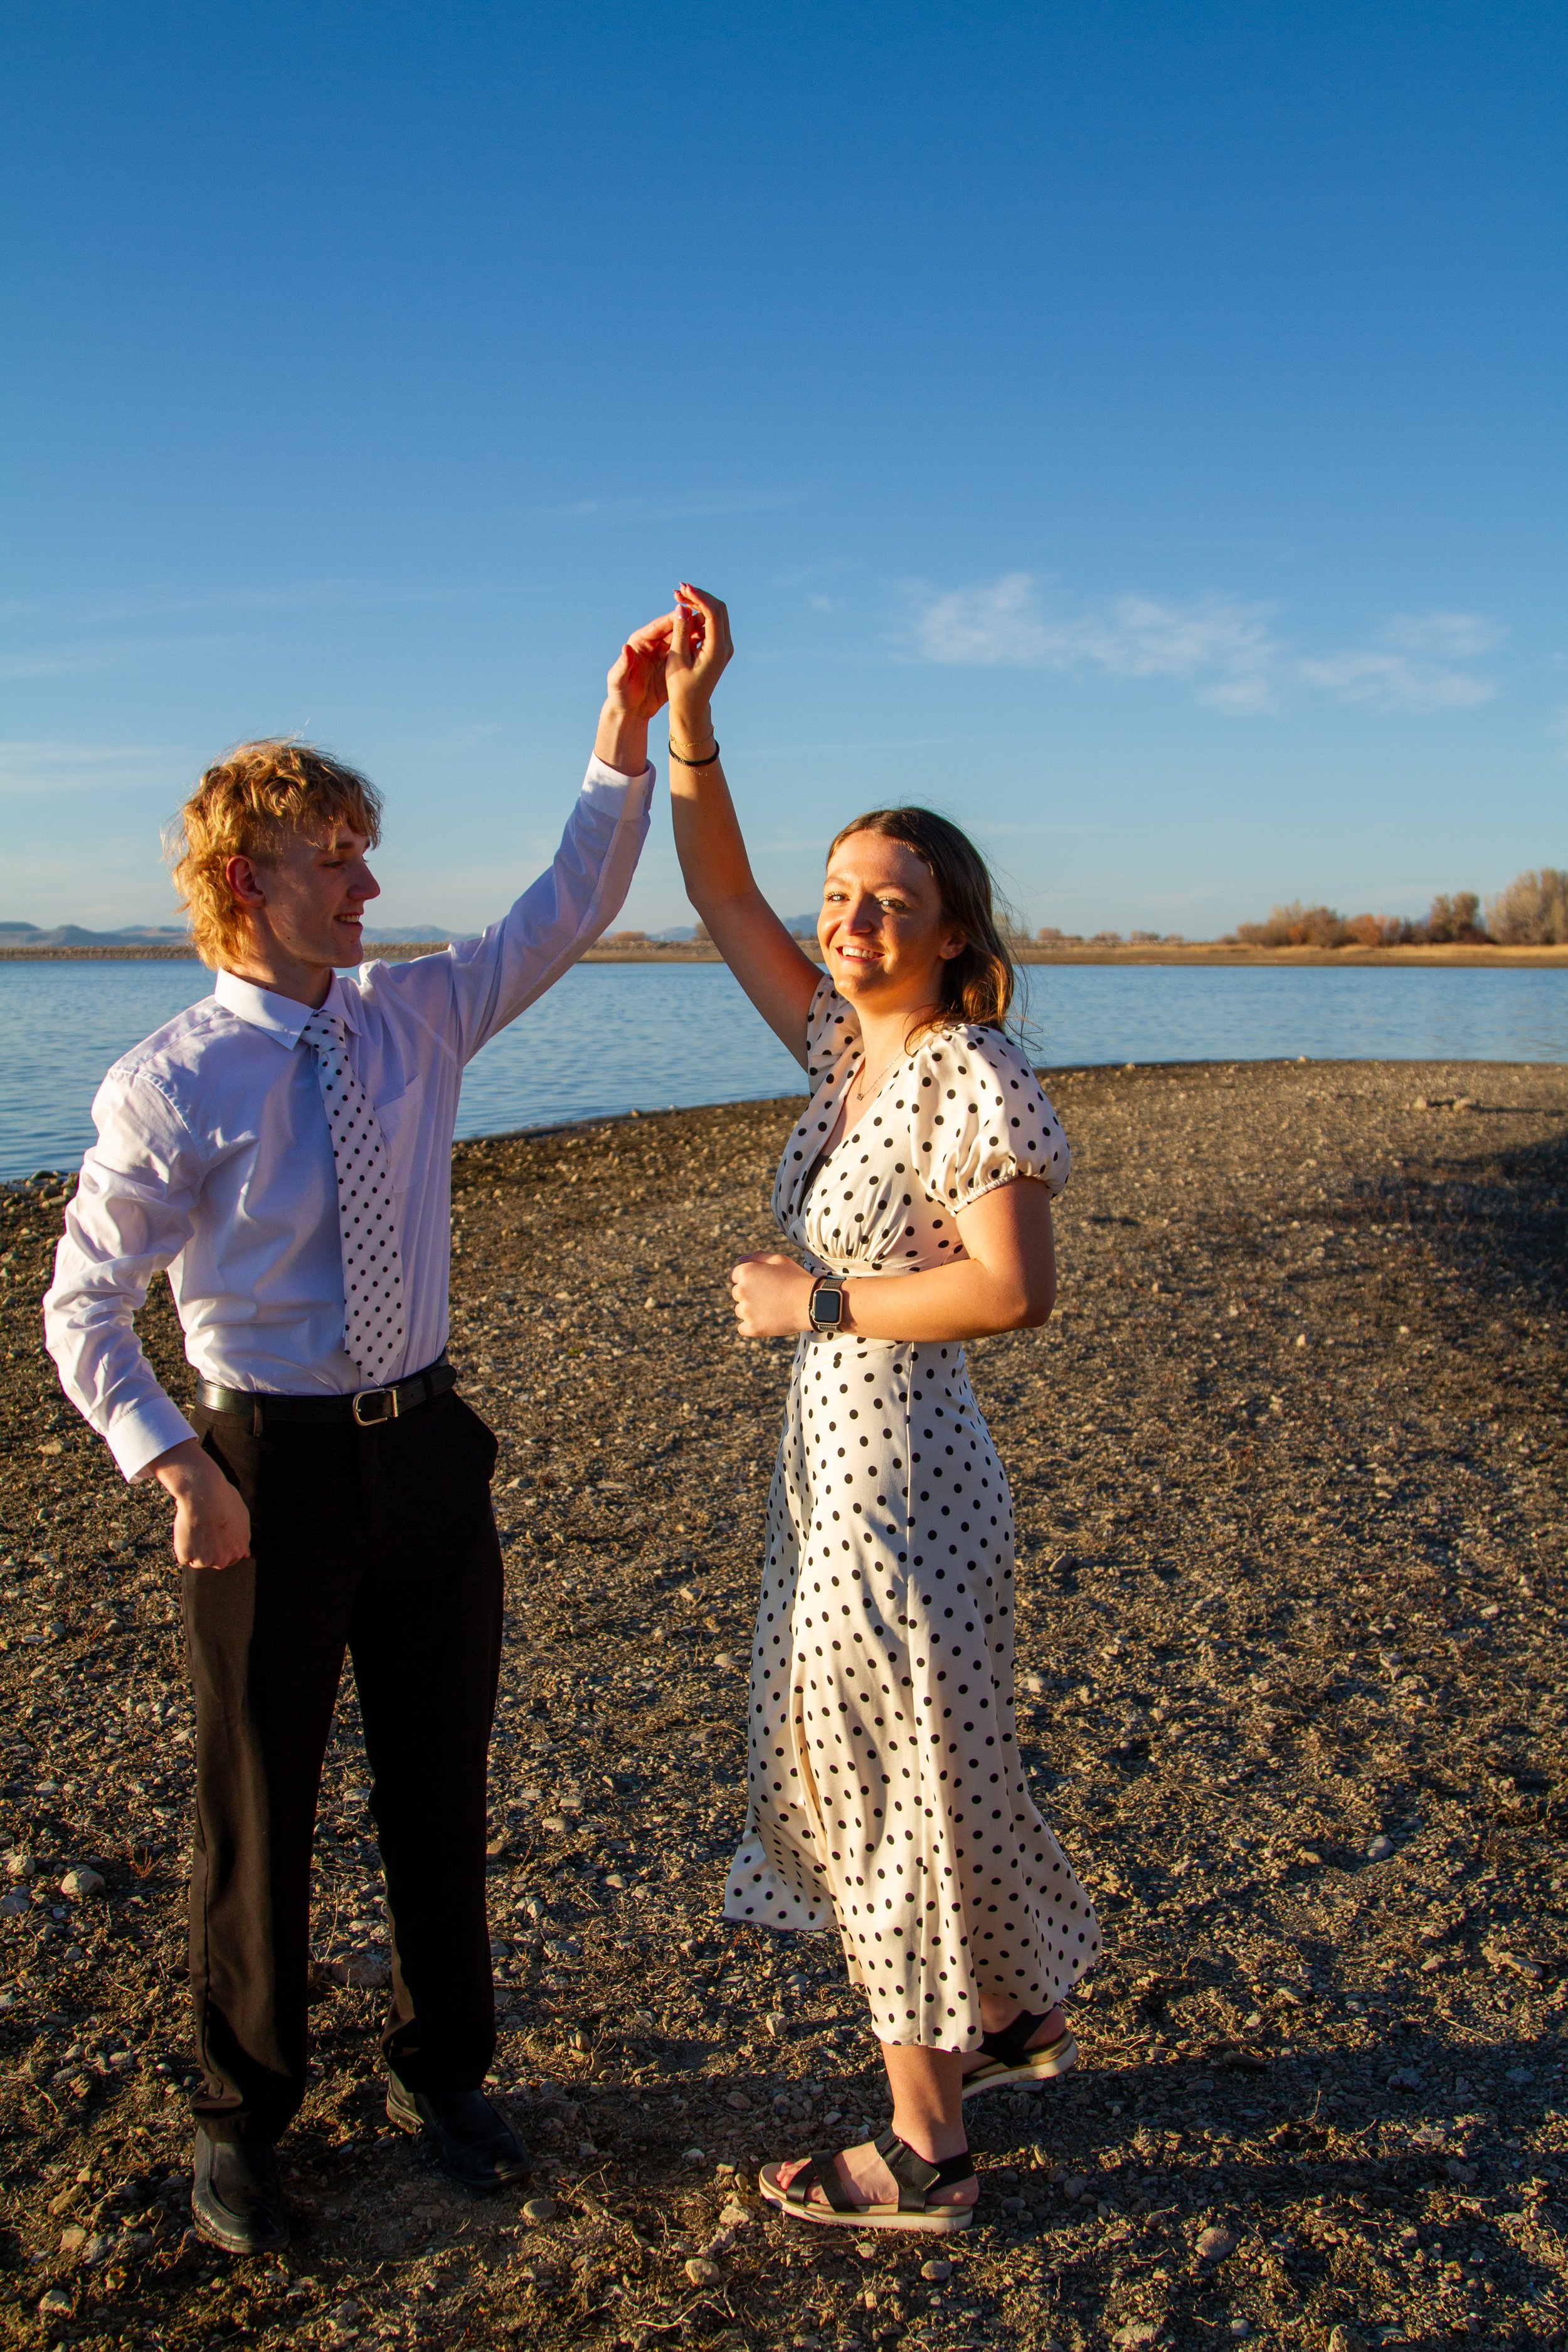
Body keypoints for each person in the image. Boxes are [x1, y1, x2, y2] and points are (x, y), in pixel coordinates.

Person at [41, 612, 675, 2254]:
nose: (371, 889)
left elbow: (572, 902)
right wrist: (174, 1463)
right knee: (257, 1798)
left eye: (367, 855)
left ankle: (443, 2071)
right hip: (267, 1470)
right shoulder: (168, 1084)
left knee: (436, 1776)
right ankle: (243, 2116)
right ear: (247, 877)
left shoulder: (417, 1017)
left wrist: (622, 733)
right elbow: (81, 1308)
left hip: (427, 1449)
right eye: (337, 858)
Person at [664, 585, 1100, 2235]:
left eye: (888, 900)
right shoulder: (840, 1051)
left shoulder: (966, 1071)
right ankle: (1003, 2018)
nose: (850, 920)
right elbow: (714, 890)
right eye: (839, 895)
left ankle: (926, 2148)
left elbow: (1013, 1288)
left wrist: (816, 1301)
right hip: (840, 1473)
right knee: (920, 1763)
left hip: (900, 1482)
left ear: (951, 931)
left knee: (881, 1784)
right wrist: (691, 720)